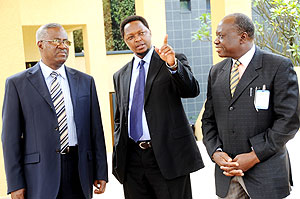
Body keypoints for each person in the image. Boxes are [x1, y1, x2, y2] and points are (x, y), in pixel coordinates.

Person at [1, 23, 108, 199]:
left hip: (79, 170)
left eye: (66, 42)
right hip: (39, 175)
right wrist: (15, 183)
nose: (63, 46)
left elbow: (96, 130)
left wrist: (101, 171)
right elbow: (10, 139)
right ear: (40, 44)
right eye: (56, 41)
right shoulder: (17, 84)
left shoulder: (85, 82)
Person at [202, 13, 299, 199]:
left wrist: (254, 156)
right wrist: (216, 153)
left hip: (266, 175)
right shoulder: (216, 72)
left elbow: (288, 122)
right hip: (227, 176)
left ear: (243, 37)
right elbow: (208, 120)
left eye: (221, 36)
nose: (216, 41)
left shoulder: (278, 66)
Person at [112, 15, 204, 199]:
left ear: (149, 33)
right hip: (133, 161)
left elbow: (191, 90)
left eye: (141, 33)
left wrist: (172, 64)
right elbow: (119, 119)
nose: (137, 39)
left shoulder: (171, 60)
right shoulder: (120, 75)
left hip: (168, 157)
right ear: (125, 41)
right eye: (131, 37)